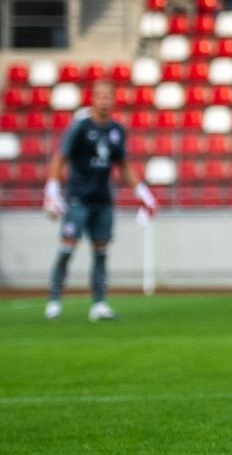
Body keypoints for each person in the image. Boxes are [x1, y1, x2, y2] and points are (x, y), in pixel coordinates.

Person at [42, 81, 157, 322]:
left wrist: (141, 192)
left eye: (108, 96)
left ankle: (99, 304)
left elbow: (123, 164)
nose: (104, 100)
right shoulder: (80, 127)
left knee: (101, 252)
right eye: (100, 96)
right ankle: (54, 299)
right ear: (92, 99)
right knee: (67, 248)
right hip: (77, 199)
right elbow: (60, 157)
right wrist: (52, 188)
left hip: (103, 200)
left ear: (113, 100)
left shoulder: (117, 130)